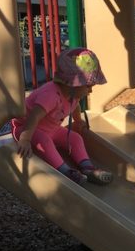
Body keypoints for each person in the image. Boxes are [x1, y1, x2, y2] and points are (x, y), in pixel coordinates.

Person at [11, 47, 113, 186]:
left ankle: (88, 168)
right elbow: (34, 116)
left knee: (75, 138)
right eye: (88, 86)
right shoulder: (50, 95)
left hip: (51, 129)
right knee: (44, 140)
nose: (90, 90)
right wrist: (25, 138)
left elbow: (75, 107)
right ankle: (66, 172)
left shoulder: (73, 94)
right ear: (73, 83)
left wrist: (78, 121)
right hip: (28, 128)